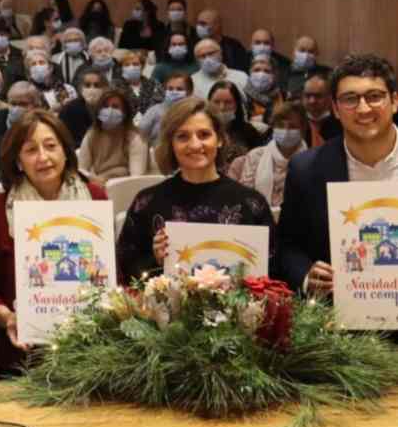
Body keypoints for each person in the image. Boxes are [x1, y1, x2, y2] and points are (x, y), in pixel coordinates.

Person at [0, 110, 107, 375]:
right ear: (18, 161)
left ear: (65, 150)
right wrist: (7, 318)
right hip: (23, 353)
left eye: (51, 146)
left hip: (89, 350)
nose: (43, 157)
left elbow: (111, 273)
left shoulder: (95, 198)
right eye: (30, 150)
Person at [117, 97, 275, 282]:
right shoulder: (147, 202)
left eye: (204, 135)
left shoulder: (251, 203)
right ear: (171, 144)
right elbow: (125, 268)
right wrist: (156, 259)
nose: (194, 144)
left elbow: (273, 268)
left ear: (220, 140)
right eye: (183, 136)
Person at [279, 55, 398, 295]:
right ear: (334, 108)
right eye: (350, 99)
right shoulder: (305, 169)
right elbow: (286, 246)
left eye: (374, 96)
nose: (363, 109)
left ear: (394, 101)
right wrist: (306, 276)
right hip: (340, 320)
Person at [228, 101, 307, 209]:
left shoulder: (310, 161)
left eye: (292, 126)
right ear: (273, 127)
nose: (286, 131)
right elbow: (246, 197)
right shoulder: (256, 156)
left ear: (303, 129)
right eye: (280, 125)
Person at [0, 81, 44, 200]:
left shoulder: (44, 127)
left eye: (23, 104)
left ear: (36, 105)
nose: (16, 108)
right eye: (13, 103)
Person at [78, 88, 150, 181]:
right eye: (105, 106)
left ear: (124, 113)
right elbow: (81, 170)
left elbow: (136, 178)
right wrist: (95, 180)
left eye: (115, 107)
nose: (109, 110)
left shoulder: (135, 138)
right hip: (98, 183)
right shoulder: (92, 134)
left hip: (125, 186)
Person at [208, 81, 264, 166]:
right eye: (216, 102)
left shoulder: (249, 132)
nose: (221, 107)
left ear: (237, 105)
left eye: (228, 102)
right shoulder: (201, 131)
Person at [139, 72, 193, 145]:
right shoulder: (155, 111)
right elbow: (140, 134)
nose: (174, 92)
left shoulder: (194, 112)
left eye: (179, 89)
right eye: (170, 89)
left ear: (189, 92)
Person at [285, 35, 331, 100]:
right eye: (302, 50)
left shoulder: (326, 73)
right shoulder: (283, 72)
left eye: (311, 51)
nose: (306, 55)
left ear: (317, 53)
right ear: (294, 51)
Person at [243, 55, 284, 126]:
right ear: (250, 73)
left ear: (275, 75)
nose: (261, 75)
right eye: (257, 70)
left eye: (267, 71)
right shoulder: (242, 97)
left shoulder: (285, 97)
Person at [301, 72, 340, 147]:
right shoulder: (295, 121)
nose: (312, 101)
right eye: (307, 95)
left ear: (330, 97)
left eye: (318, 96)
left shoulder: (341, 123)